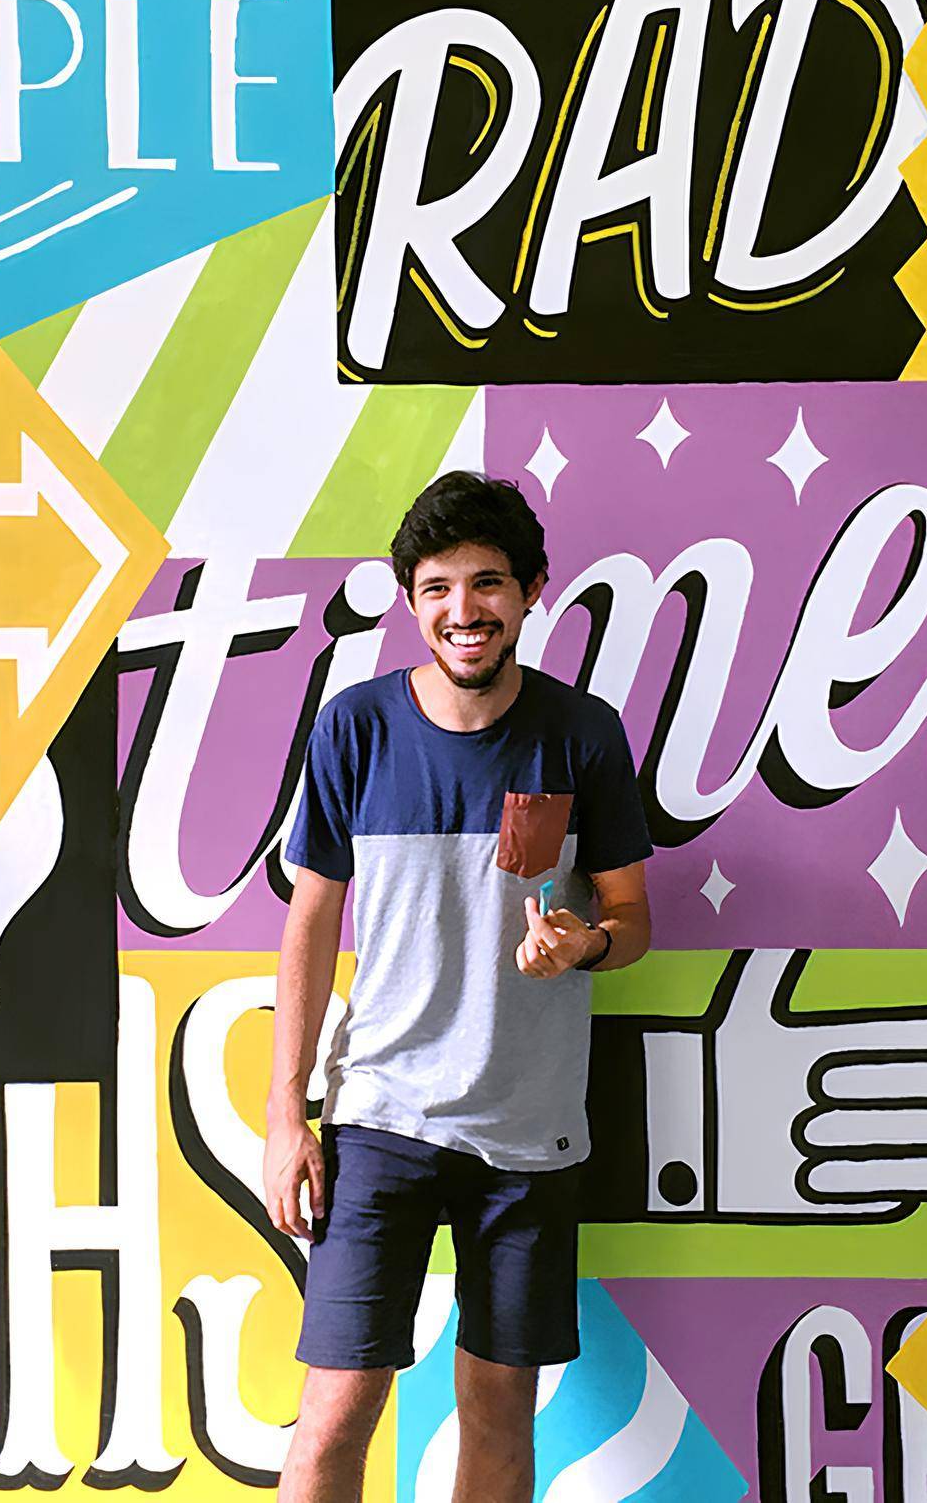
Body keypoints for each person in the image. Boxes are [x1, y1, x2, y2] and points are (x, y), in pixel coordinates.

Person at [263, 471, 654, 1503]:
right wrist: (285, 1114)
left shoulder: (584, 733)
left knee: (497, 1413)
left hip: (528, 1130)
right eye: (437, 587)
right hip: (379, 1116)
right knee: (333, 1416)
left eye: (487, 583)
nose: (463, 609)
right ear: (410, 601)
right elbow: (310, 920)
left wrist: (586, 945)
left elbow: (633, 919)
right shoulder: (354, 726)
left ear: (531, 591)